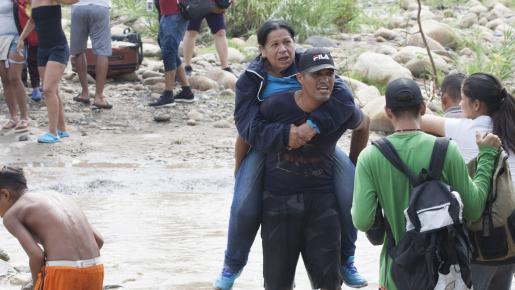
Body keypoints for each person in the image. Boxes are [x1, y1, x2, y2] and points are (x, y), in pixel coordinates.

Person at [214, 20, 370, 290]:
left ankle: (347, 259)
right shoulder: (251, 80)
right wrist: (286, 136)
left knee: (349, 196)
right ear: (262, 50)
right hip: (267, 146)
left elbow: (345, 102)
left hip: (321, 144)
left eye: (287, 42)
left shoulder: (311, 64)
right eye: (274, 44)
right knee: (243, 204)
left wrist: (313, 125)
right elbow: (247, 127)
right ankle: (233, 264)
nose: (283, 49)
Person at [351, 77, 502, 290]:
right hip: (444, 272)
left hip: (396, 273)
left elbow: (362, 220)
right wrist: (486, 157)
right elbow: (474, 209)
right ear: (423, 108)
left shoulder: (370, 157)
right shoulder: (447, 150)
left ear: (388, 111)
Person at [260, 48, 367, 290]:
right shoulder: (276, 106)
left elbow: (364, 124)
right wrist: (241, 173)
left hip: (322, 202)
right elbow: (248, 135)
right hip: (278, 203)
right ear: (300, 78)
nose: (325, 80)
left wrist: (353, 164)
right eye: (317, 74)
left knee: (329, 284)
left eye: (329, 74)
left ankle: (348, 262)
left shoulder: (341, 108)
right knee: (277, 284)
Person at [420, 72, 515, 290]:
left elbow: (418, 120)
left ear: (476, 104)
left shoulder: (467, 130)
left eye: (462, 98)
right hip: (511, 237)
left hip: (482, 242)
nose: (460, 103)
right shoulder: (511, 130)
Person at [0, 166, 104, 289]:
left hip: (63, 272)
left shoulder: (11, 216)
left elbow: (37, 256)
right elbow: (99, 240)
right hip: (95, 269)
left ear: (5, 194)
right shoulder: (60, 198)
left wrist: (36, 285)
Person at [17, 0, 77, 143]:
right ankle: (62, 130)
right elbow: (32, 20)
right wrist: (21, 38)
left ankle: (52, 133)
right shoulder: (33, 1)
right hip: (42, 50)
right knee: (53, 91)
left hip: (58, 48)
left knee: (48, 90)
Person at [148, 0, 194, 107]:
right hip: (166, 13)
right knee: (169, 49)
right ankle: (186, 91)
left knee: (169, 51)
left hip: (176, 12)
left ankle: (168, 95)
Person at [70, 0, 112, 109]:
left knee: (79, 51)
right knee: (102, 52)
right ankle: (98, 97)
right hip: (100, 6)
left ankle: (85, 93)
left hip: (78, 6)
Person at [0, 0, 29, 132]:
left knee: (14, 77)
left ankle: (24, 117)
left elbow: (29, 12)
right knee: (5, 79)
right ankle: (13, 117)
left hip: (17, 37)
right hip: (0, 39)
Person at [182, 10, 232, 75]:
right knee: (191, 31)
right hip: (195, 3)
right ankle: (187, 66)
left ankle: (225, 66)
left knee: (220, 32)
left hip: (214, 5)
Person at [13, 0, 42, 102]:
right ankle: (36, 88)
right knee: (32, 61)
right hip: (28, 36)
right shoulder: (17, 4)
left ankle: (40, 86)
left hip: (40, 35)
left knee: (37, 61)